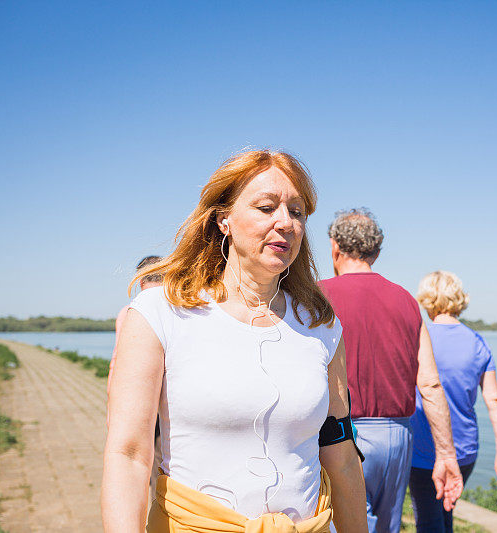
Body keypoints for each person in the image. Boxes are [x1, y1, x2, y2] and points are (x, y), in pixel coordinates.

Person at [103, 149, 367, 533]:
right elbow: (128, 455)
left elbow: (340, 453)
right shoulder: (160, 312)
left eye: (296, 211)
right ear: (223, 218)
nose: (285, 222)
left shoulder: (321, 325)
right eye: (266, 207)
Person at [320, 209, 463, 533]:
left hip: (340, 434)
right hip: (398, 436)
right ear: (377, 251)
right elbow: (430, 384)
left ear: (334, 247)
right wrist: (446, 454)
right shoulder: (407, 301)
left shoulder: (317, 296)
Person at [409, 271, 497, 533]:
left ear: (426, 299)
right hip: (465, 450)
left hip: (423, 448)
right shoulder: (478, 342)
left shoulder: (418, 338)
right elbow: (494, 399)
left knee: (428, 519)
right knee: (445, 511)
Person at [107, 255, 164, 491]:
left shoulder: (129, 311)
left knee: (132, 458)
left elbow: (118, 362)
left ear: (140, 281)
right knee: (161, 462)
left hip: (134, 397)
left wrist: (111, 401)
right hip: (165, 400)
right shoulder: (172, 308)